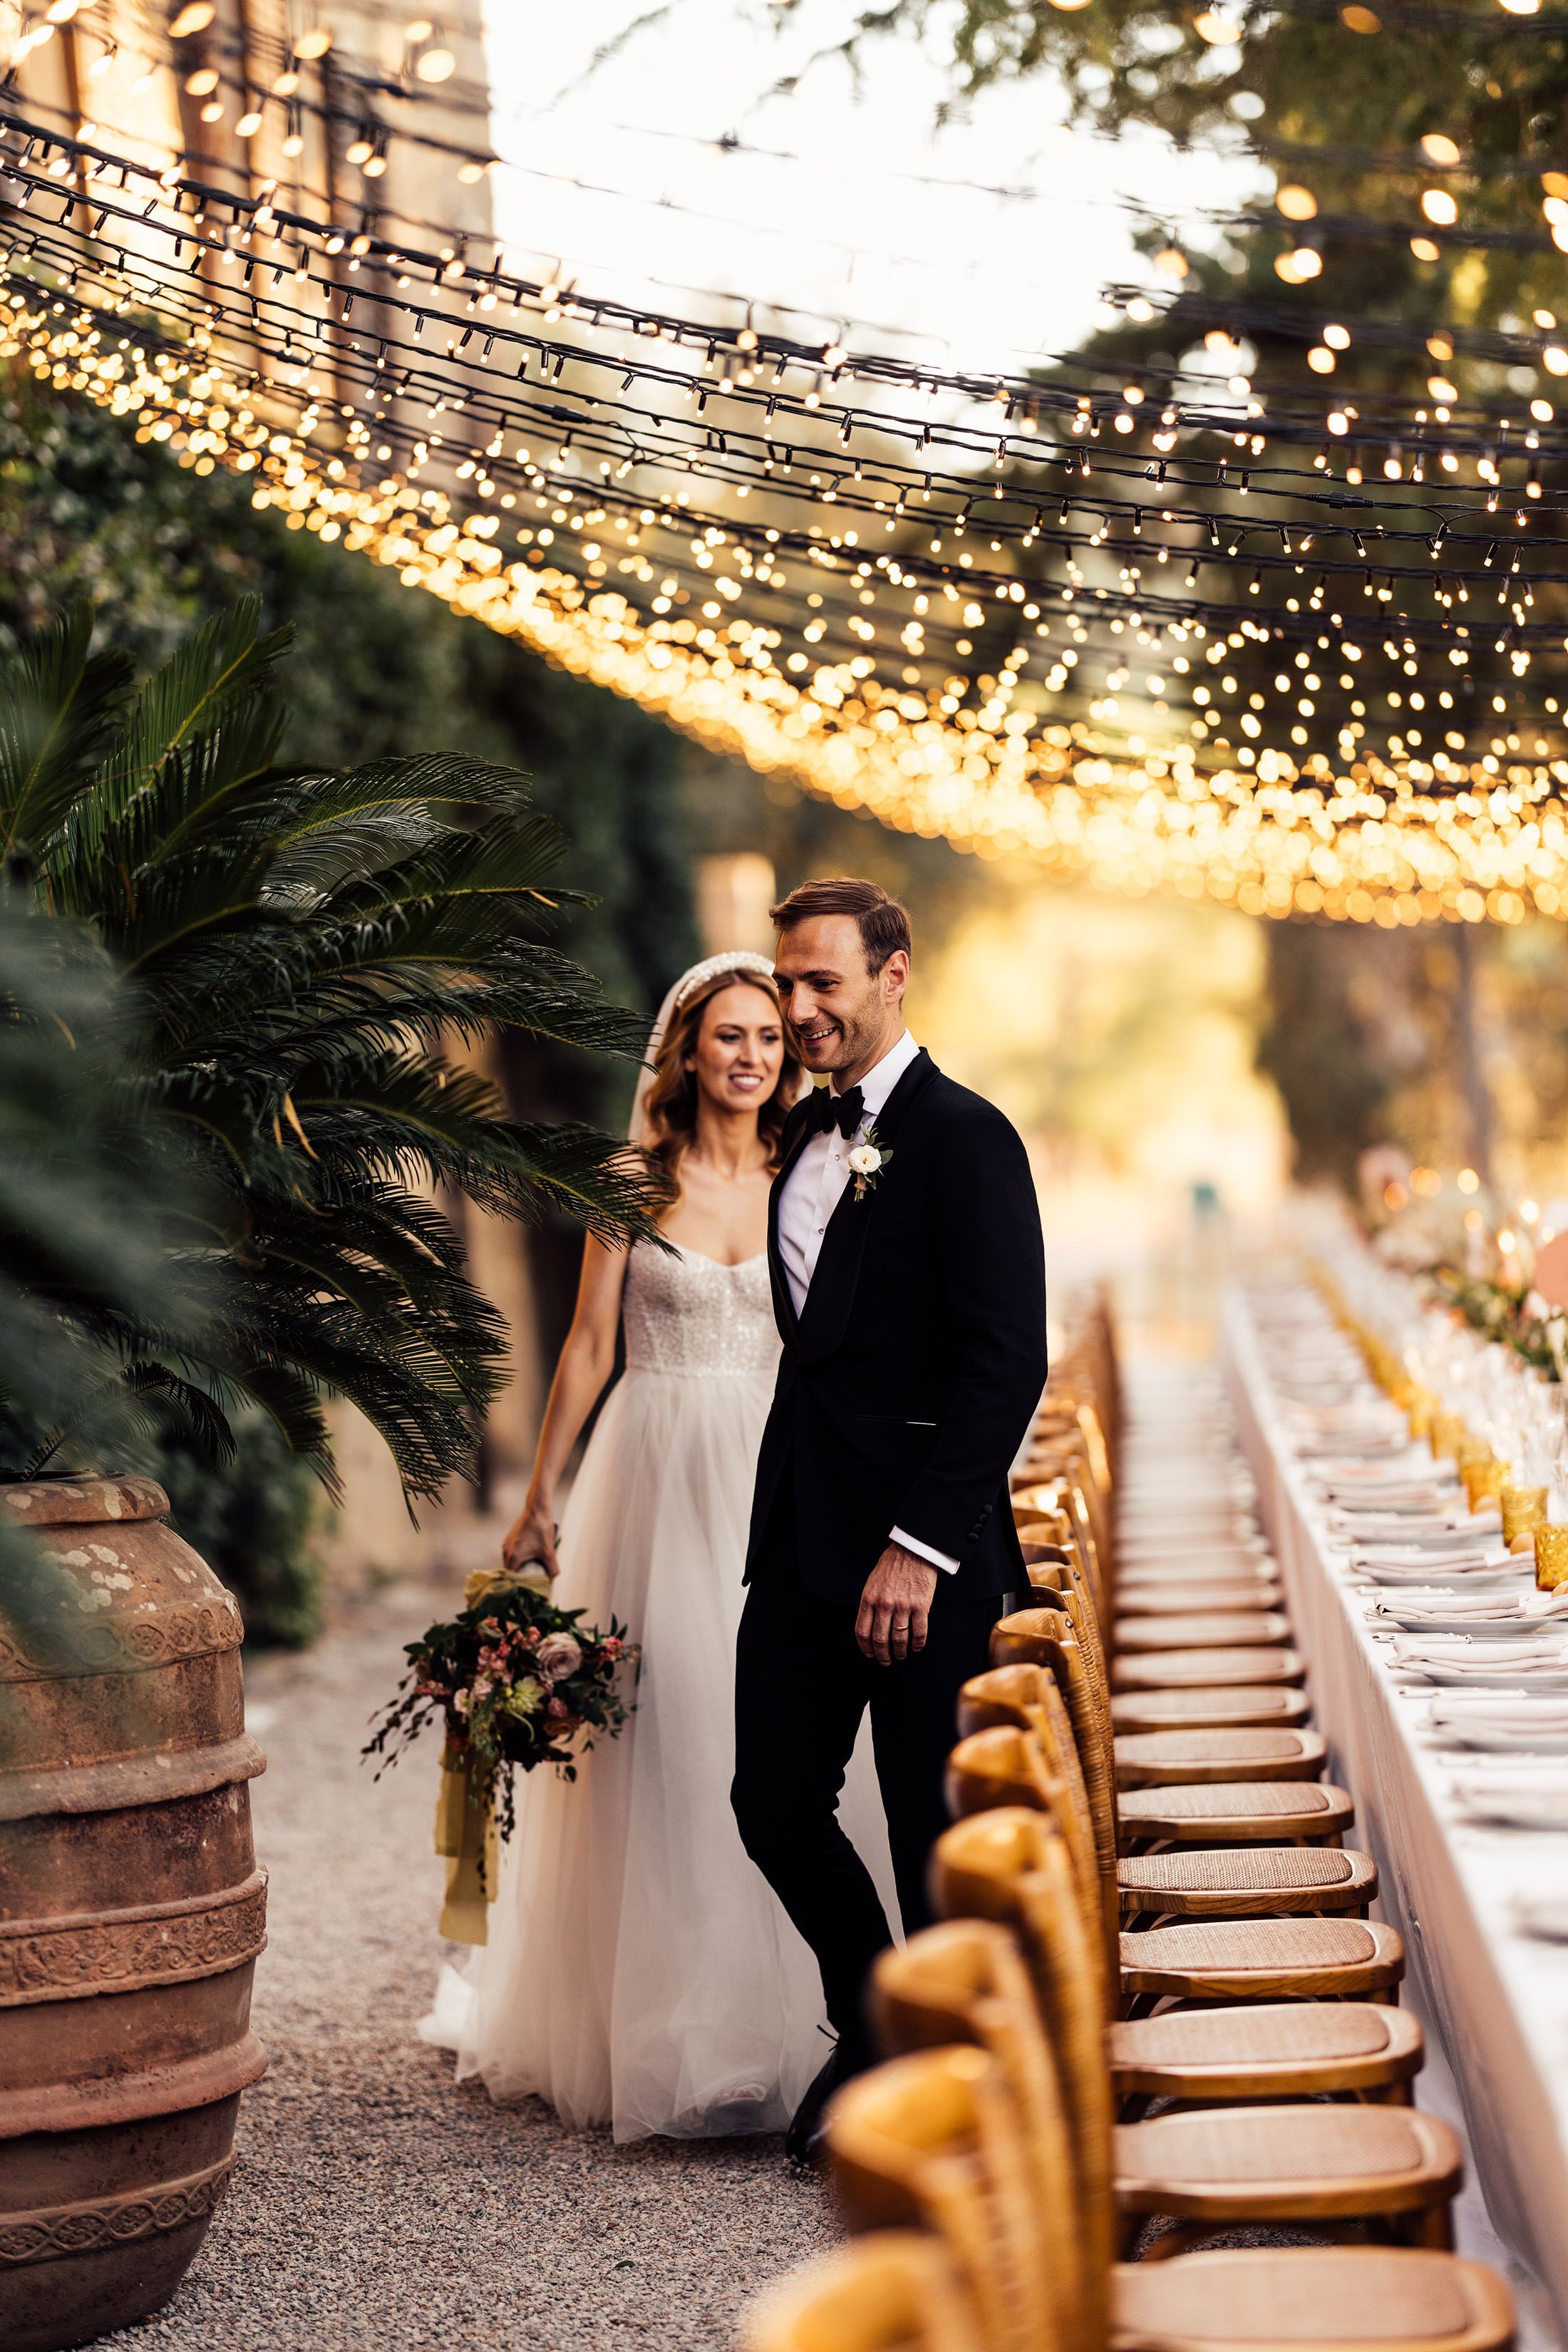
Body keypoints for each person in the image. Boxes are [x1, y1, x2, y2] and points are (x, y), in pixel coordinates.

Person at [419, 950, 898, 2142]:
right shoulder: (630, 1181)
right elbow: (586, 1348)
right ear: (687, 1051)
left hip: (778, 1471)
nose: (752, 1058)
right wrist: (538, 1500)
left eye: (769, 1041)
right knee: (673, 1727)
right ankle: (677, 2024)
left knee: (775, 1739)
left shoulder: (822, 1173)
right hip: (655, 1465)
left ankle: (803, 2020)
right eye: (729, 1037)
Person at [731, 878, 1048, 2164]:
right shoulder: (800, 1137)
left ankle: (965, 2114)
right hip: (805, 1542)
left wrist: (921, 1549)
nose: (800, 1008)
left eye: (824, 983)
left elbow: (1003, 1364)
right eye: (787, 982)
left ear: (893, 974)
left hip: (930, 1564)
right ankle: (873, 2026)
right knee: (773, 1804)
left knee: (934, 1836)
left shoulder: (968, 1138)